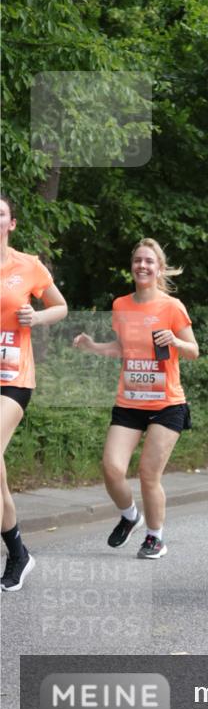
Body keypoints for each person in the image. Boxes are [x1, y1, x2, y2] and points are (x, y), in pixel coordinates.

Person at [73, 239, 198, 559]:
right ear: (132, 266)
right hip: (129, 402)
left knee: (147, 474)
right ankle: (130, 516)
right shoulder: (121, 306)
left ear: (159, 269)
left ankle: (155, 537)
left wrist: (175, 341)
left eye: (149, 262)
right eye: (138, 261)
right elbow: (121, 348)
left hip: (167, 404)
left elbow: (193, 351)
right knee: (112, 468)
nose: (142, 266)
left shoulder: (173, 307)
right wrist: (91, 346)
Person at [1, 194, 68, 591]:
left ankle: (17, 553)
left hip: (14, 377)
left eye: (1, 214)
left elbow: (59, 306)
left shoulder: (29, 265)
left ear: (11, 223)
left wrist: (36, 315)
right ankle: (18, 552)